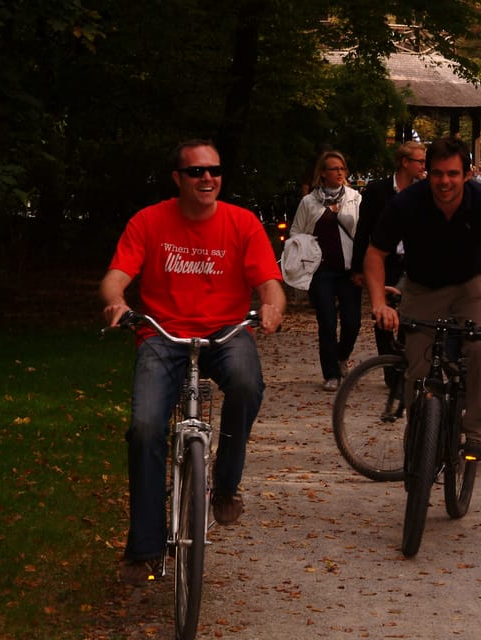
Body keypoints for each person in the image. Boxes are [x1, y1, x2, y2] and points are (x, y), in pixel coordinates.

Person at [100, 139, 285, 585]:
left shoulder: (241, 223)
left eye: (215, 171)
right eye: (197, 172)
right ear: (178, 179)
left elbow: (269, 281)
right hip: (162, 335)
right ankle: (144, 547)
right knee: (145, 427)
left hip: (225, 332)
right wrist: (115, 303)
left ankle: (224, 484)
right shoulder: (149, 220)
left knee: (245, 383)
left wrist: (273, 307)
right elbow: (116, 276)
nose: (208, 179)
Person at [363, 136, 481, 462]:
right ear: (427, 173)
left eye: (453, 174)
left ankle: (478, 431)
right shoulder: (407, 203)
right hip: (422, 287)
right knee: (418, 368)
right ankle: (421, 438)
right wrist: (379, 303)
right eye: (437, 173)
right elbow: (374, 254)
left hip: (471, 285)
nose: (444, 181)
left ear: (467, 174)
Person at [290, 150, 362, 392]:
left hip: (349, 270)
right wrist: (307, 249)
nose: (340, 173)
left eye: (342, 168)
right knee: (327, 323)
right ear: (322, 173)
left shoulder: (354, 198)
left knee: (352, 323)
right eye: (334, 169)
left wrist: (362, 267)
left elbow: (363, 234)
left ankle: (341, 357)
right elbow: (296, 233)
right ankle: (330, 373)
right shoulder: (309, 202)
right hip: (322, 272)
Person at [351, 141, 427, 356]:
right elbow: (363, 229)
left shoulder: (424, 191)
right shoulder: (377, 191)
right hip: (384, 263)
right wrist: (358, 268)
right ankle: (388, 366)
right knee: (384, 318)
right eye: (420, 161)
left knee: (410, 318)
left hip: (413, 264)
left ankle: (402, 366)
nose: (424, 166)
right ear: (405, 162)